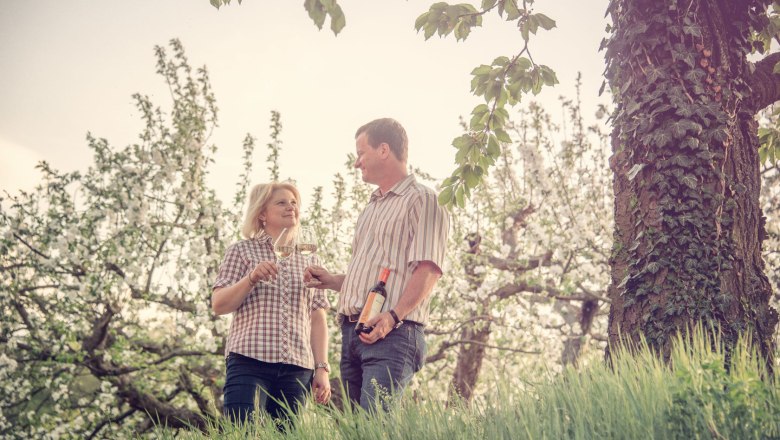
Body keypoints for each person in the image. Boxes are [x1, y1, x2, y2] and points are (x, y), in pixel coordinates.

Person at [305, 118, 450, 411]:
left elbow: (429, 269)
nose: (357, 163)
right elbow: (372, 278)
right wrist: (331, 280)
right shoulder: (370, 208)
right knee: (355, 429)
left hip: (393, 334)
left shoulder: (424, 199)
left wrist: (392, 317)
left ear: (384, 150)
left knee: (374, 427)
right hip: (353, 334)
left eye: (361, 153)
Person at [212, 182, 331, 425]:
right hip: (249, 360)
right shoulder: (241, 251)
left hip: (297, 367)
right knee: (241, 432)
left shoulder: (310, 259)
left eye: (294, 202)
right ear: (262, 214)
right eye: (282, 202)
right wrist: (251, 278)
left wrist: (322, 368)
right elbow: (219, 305)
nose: (291, 207)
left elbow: (317, 317)